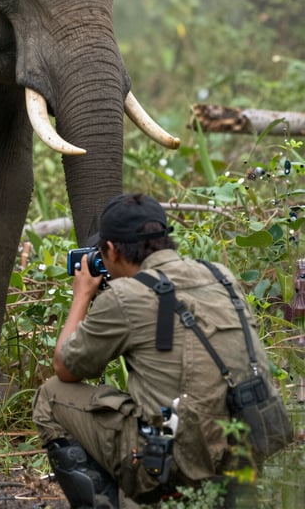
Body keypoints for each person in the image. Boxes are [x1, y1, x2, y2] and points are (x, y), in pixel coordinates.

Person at [32, 192, 287, 509]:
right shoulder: (221, 276)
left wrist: (82, 295)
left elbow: (64, 367)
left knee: (50, 397)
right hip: (246, 457)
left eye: (102, 253)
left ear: (110, 250)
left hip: (174, 466)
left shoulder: (126, 295)